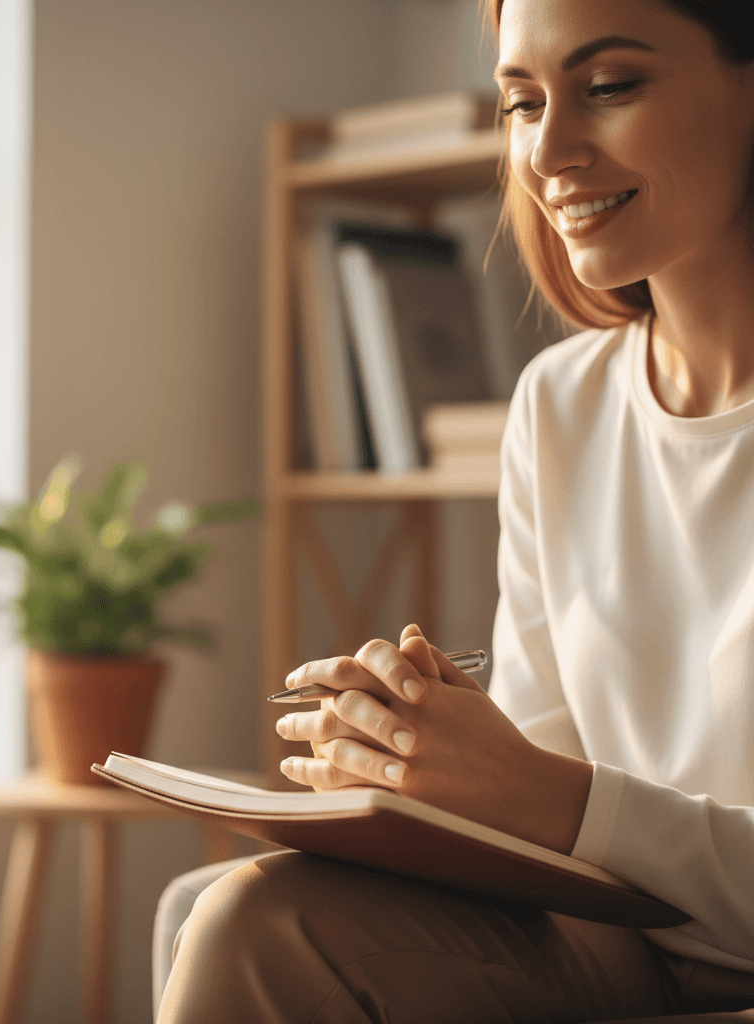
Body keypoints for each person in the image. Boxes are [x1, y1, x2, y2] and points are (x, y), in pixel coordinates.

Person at [155, 0, 754, 1020]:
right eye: (521, 101)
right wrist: (428, 761)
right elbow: (545, 809)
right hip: (627, 940)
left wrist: (542, 794)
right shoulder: (558, 406)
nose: (549, 149)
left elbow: (559, 800)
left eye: (608, 87)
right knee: (222, 906)